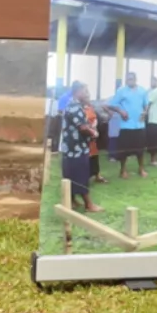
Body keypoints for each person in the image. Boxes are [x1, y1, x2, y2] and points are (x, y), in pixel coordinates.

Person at [54, 81, 99, 214]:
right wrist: (94, 133)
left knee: (70, 175)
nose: (87, 94)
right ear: (78, 91)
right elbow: (83, 127)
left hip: (70, 148)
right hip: (77, 148)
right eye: (85, 91)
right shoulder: (74, 106)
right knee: (81, 175)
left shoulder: (73, 105)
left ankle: (72, 201)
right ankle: (88, 205)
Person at [108, 71, 150, 179]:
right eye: (128, 79)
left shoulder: (142, 91)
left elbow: (146, 105)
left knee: (140, 150)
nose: (129, 81)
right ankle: (123, 170)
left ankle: (141, 169)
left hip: (139, 125)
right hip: (125, 126)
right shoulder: (121, 91)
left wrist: (145, 112)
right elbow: (112, 105)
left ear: (136, 79)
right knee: (124, 150)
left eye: (131, 79)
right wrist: (121, 111)